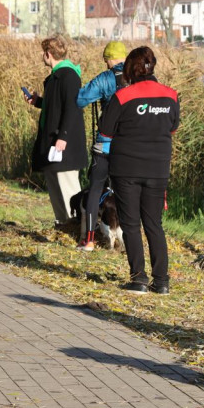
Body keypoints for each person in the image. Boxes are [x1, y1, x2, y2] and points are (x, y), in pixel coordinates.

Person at [97, 46, 180, 294]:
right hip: (158, 168)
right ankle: (162, 281)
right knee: (154, 223)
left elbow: (105, 132)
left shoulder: (122, 96)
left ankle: (139, 279)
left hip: (127, 168)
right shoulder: (171, 96)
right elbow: (173, 128)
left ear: (131, 69)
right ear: (152, 67)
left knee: (131, 224)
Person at [25, 36, 85, 228]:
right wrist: (38, 102)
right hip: (52, 142)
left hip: (64, 144)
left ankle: (78, 227)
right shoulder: (54, 77)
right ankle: (63, 224)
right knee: (54, 185)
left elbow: (72, 108)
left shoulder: (69, 76)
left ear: (47, 54)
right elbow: (55, 106)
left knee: (67, 186)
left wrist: (63, 137)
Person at [75, 40, 128, 251]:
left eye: (106, 59)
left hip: (105, 145)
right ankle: (128, 238)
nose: (106, 63)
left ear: (109, 58)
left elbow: (80, 100)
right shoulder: (138, 80)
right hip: (130, 147)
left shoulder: (106, 78)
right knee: (127, 191)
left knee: (96, 188)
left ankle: (88, 240)